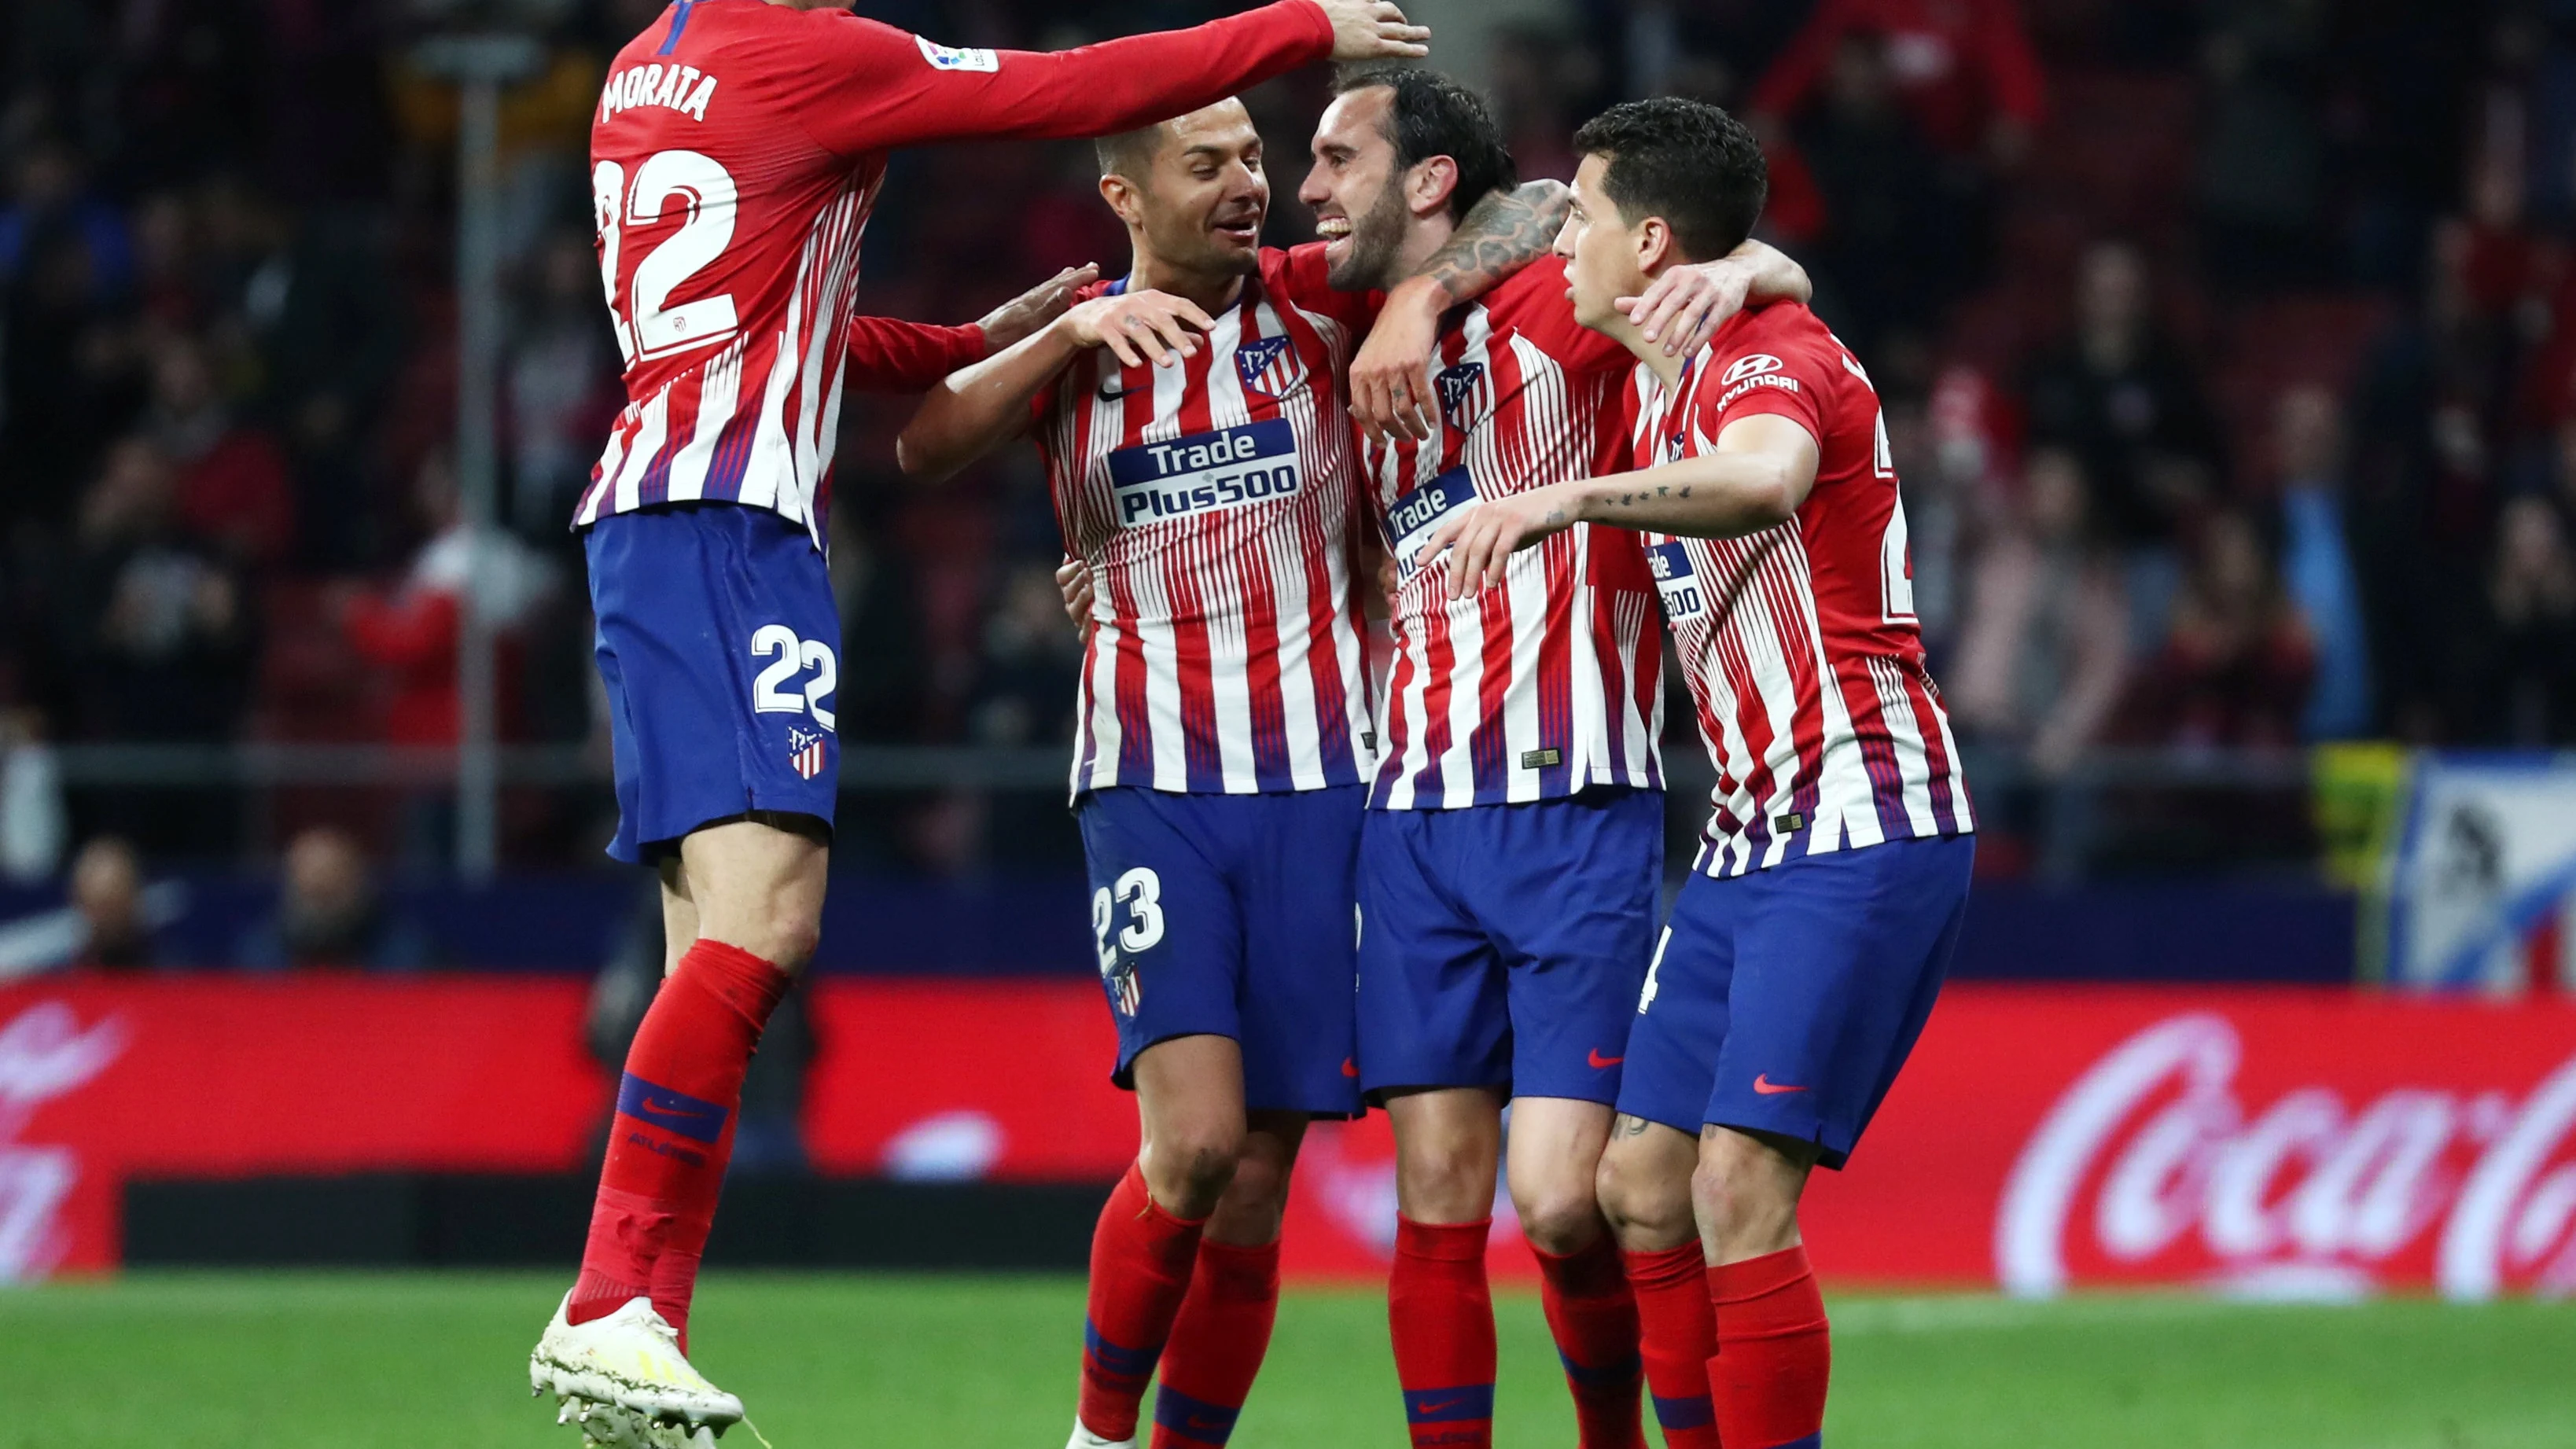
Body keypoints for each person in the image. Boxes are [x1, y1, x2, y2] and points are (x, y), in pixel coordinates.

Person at [531, 1, 1438, 1443]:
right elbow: (1078, 83)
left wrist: (965, 336)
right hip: (730, 528)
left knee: (711, 942)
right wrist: (1302, 22)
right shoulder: (812, 52)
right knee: (764, 928)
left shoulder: (653, 64)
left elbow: (784, 317)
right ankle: (612, 1305)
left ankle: (638, 1308)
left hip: (667, 511)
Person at [896, 86, 1572, 1449]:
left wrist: (1410, 306)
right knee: (1194, 1141)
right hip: (1151, 781)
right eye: (1204, 164)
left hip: (1327, 784)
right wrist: (1067, 328)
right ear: (1125, 195)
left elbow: (1538, 208)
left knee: (1257, 1179)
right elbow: (919, 445)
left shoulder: (1313, 298)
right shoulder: (1076, 335)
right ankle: (1096, 1433)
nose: (1246, 182)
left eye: (1254, 157)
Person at [1423, 97, 1974, 1449]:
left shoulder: (1759, 356)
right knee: (1642, 1181)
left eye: (1588, 220)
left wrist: (1566, 498)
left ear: (1651, 240)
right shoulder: (1675, 358)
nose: (1562, 242)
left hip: (1861, 809)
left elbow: (1768, 479)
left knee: (1736, 1182)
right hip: (1749, 834)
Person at [1327, 67, 1807, 1449]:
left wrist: (1430, 295)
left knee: (1558, 1195)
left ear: (1425, 182)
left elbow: (1736, 265)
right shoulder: (1342, 325)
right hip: (1411, 815)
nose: (1309, 192)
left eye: (1335, 159)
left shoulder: (1557, 295)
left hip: (1571, 803)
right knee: (1433, 1190)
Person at [237, 826, 433, 973]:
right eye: (312, 892)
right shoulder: (261, 955)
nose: (321, 907)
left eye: (332, 891)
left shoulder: (406, 956)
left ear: (357, 884)